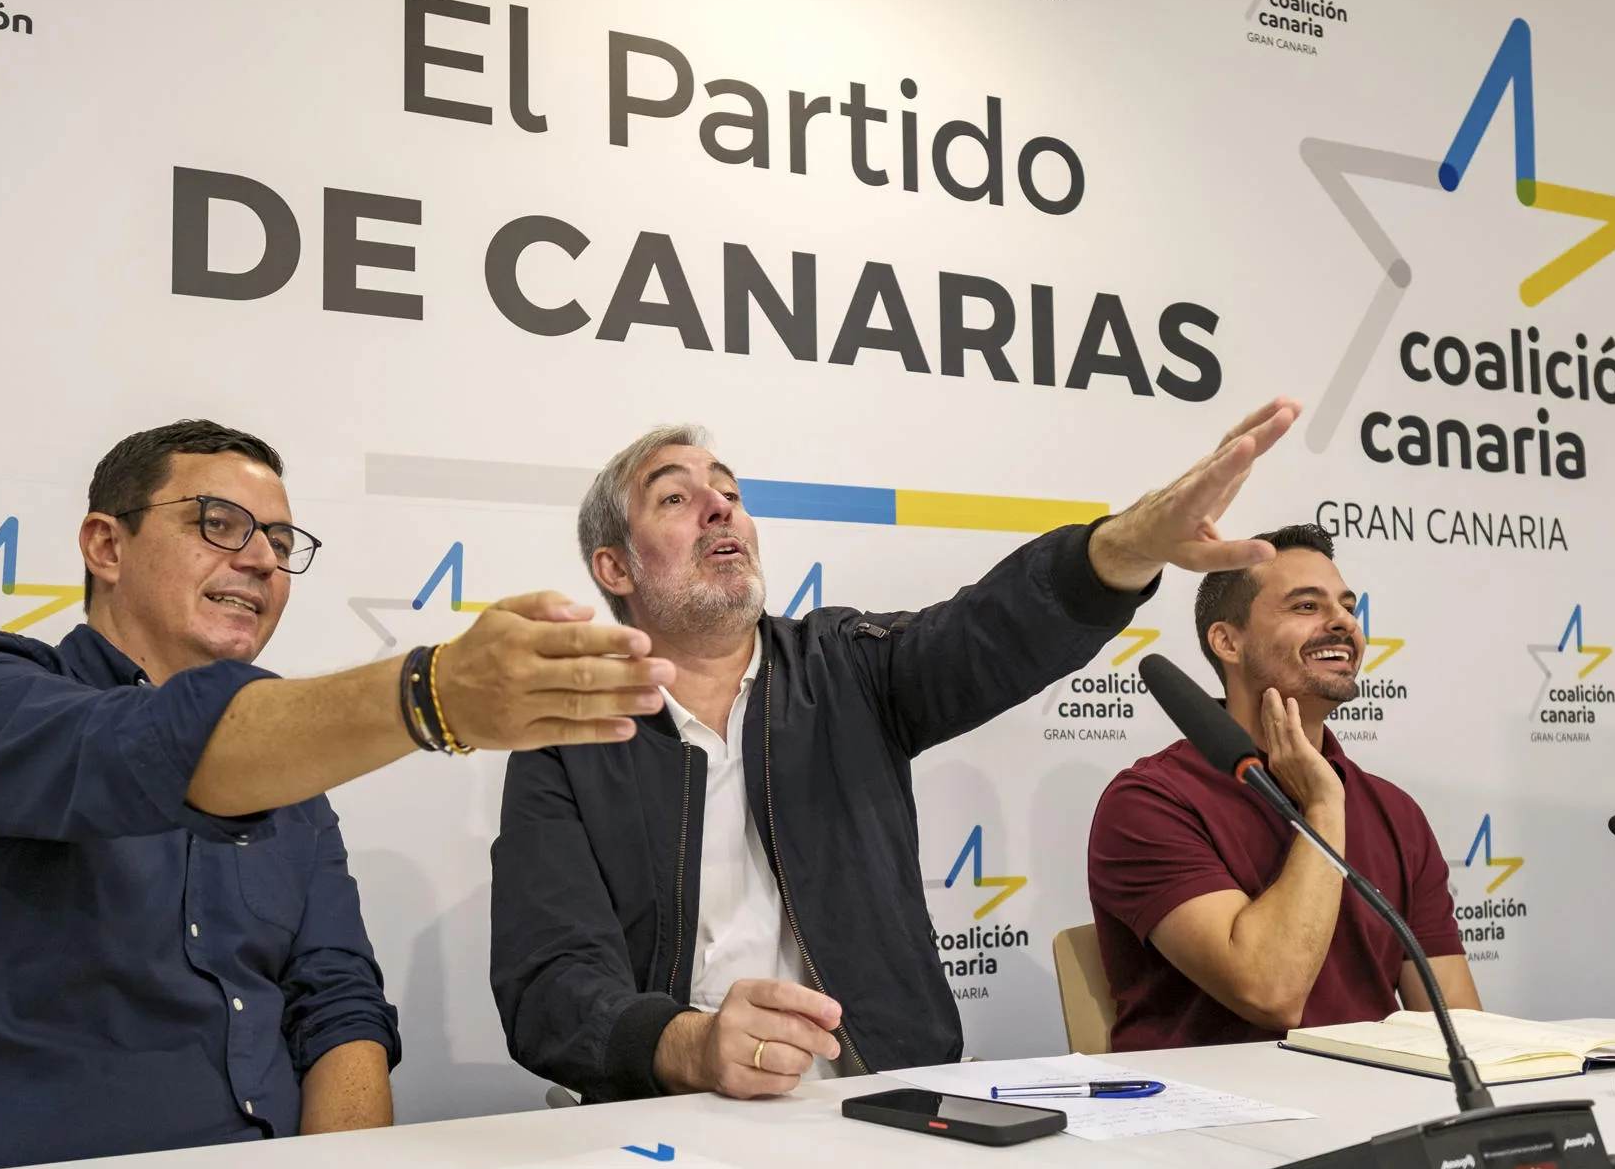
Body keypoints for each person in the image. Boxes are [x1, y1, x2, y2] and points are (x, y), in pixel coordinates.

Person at [0, 419, 672, 1169]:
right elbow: (152, 747)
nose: (260, 559)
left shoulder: (293, 778)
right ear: (107, 545)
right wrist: (432, 694)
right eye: (218, 522)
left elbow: (341, 1007)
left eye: (280, 542)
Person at [490, 400, 1302, 1102]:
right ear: (613, 566)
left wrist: (1131, 545)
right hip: (678, 1115)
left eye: (730, 494)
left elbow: (994, 629)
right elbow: (550, 985)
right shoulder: (568, 739)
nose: (720, 509)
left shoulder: (846, 666)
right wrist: (687, 1047)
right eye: (677, 496)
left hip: (887, 1098)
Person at [1087, 524, 1480, 1052]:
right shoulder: (1150, 801)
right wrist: (1322, 806)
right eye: (1306, 607)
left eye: (1347, 606)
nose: (1342, 622)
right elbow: (1270, 993)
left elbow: (1459, 1027)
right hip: (1218, 1120)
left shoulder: (1395, 811)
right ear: (1228, 640)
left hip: (1378, 1103)